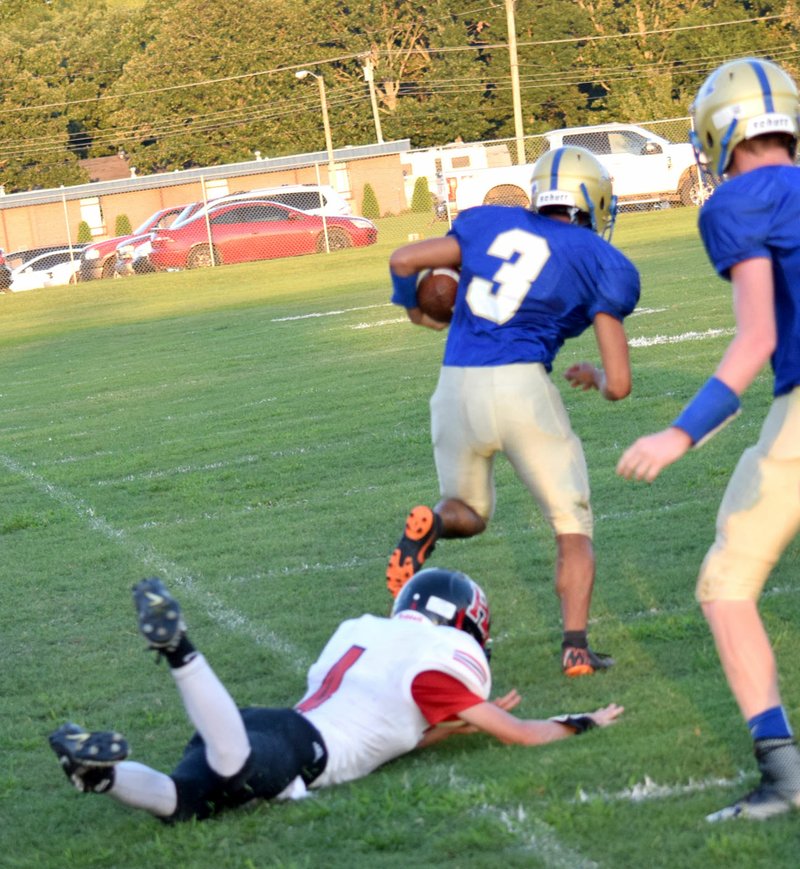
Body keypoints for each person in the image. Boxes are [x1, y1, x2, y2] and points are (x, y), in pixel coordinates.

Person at [49, 572, 623, 822]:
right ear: (466, 625)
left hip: (263, 725)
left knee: (185, 803)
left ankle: (97, 775)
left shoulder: (370, 634)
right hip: (292, 748)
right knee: (236, 767)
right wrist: (583, 721)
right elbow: (523, 735)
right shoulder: (436, 671)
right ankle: (180, 653)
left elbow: (385, 725)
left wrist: (450, 727)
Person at [617, 57, 800, 821]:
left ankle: (784, 773)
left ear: (718, 137)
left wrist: (679, 434)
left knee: (726, 584)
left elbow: (756, 336)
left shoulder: (739, 201)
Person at [387, 146, 641, 677]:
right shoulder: (598, 257)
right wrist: (596, 377)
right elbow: (619, 386)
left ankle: (432, 522)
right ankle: (575, 649)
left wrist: (416, 311)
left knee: (469, 513)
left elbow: (403, 262)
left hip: (455, 388)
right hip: (523, 387)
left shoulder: (490, 224)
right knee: (572, 526)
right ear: (589, 200)